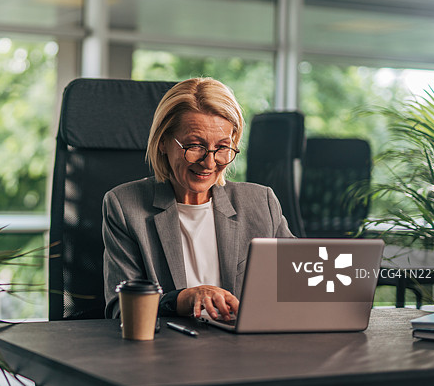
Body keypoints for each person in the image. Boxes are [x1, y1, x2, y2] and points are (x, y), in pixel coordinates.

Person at [102, 77, 294, 321]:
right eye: (195, 146)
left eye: (222, 147)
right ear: (163, 141)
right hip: (168, 351)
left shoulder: (261, 202)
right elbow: (120, 309)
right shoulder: (124, 206)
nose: (209, 162)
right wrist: (184, 298)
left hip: (248, 350)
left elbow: (298, 285)